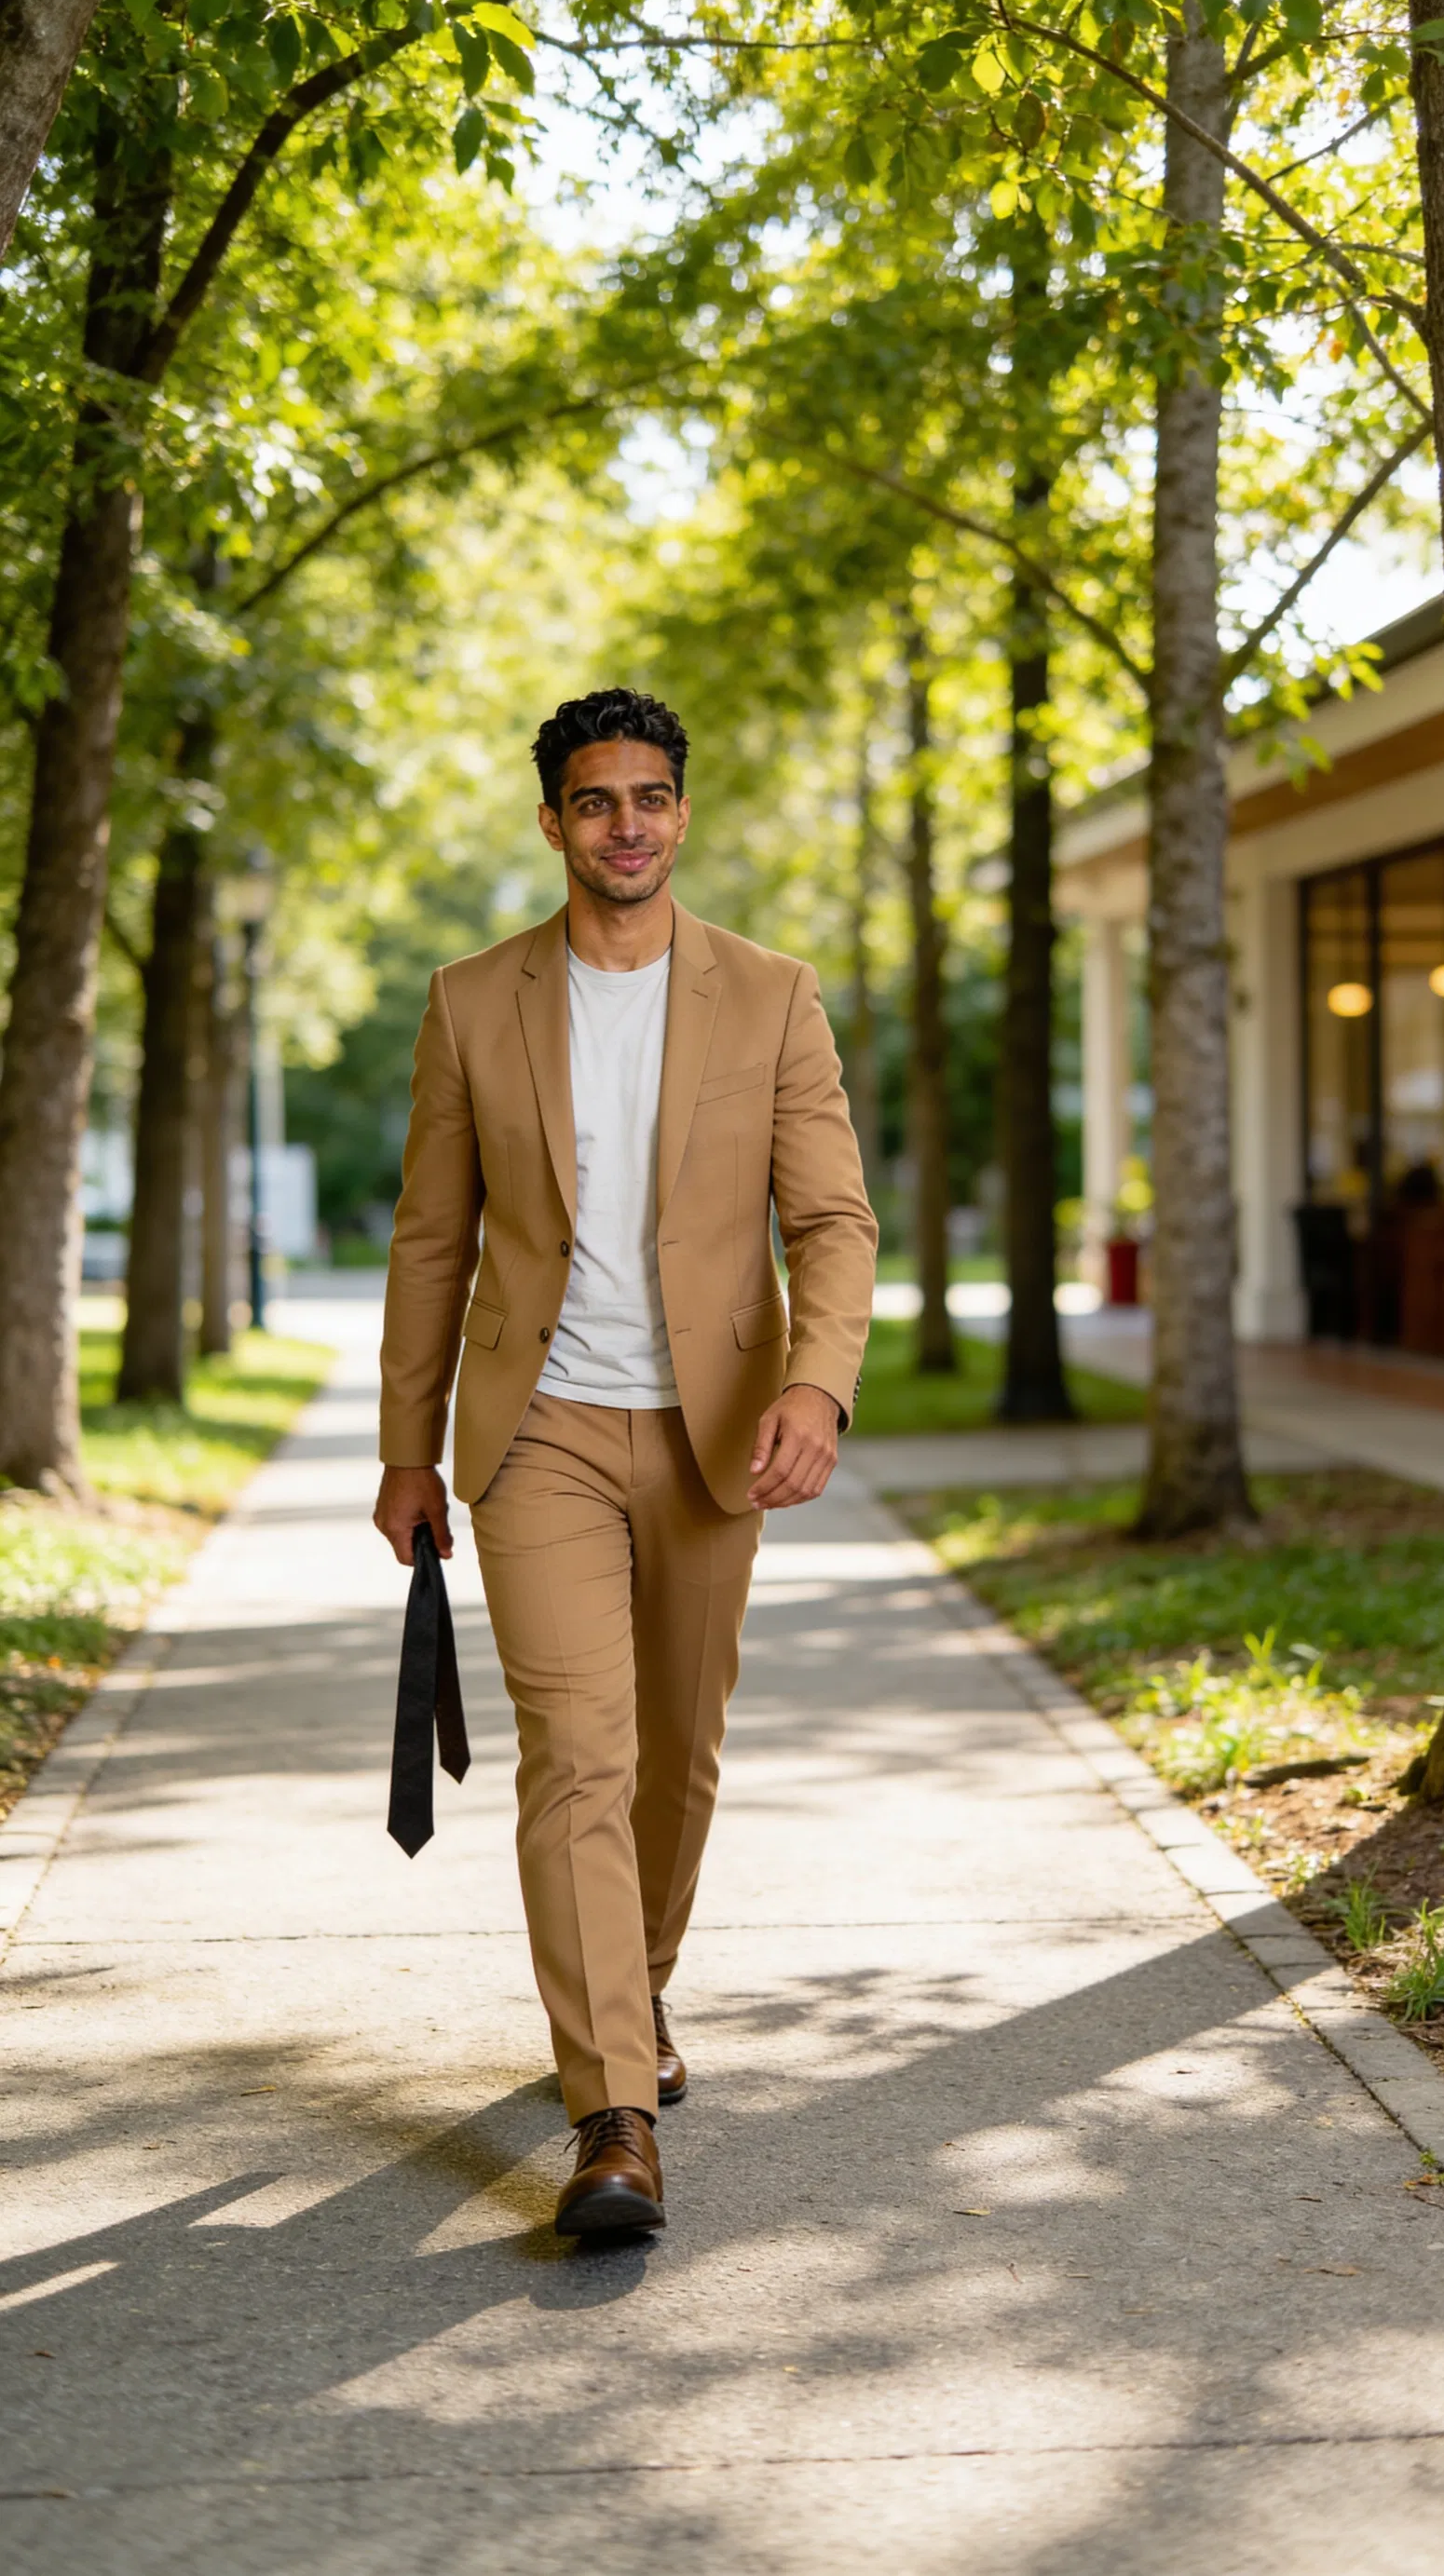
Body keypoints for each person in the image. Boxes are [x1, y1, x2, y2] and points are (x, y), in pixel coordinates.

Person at [374, 688, 878, 2238]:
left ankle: (634, 1993)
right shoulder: (473, 1001)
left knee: (677, 1757)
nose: (627, 823)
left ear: (681, 813)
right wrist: (410, 1454)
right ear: (553, 824)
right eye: (595, 801)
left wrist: (820, 1384)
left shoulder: (772, 994)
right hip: (539, 1437)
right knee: (578, 1757)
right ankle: (611, 2116)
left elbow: (834, 1221)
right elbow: (433, 1239)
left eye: (651, 796)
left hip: (720, 1433)